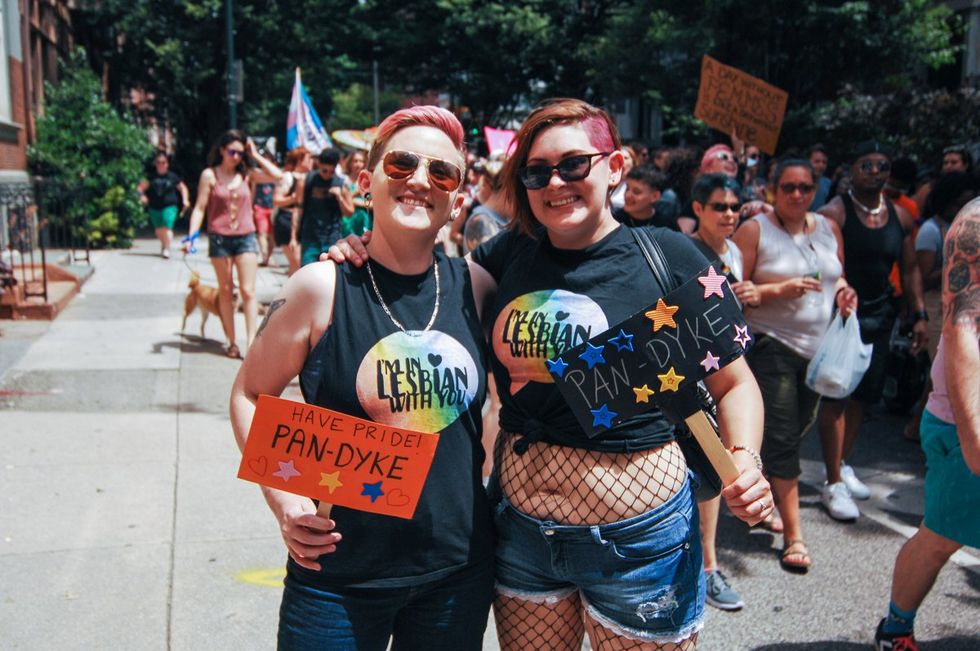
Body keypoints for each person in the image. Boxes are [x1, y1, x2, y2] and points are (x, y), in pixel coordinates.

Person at [330, 99, 773, 650]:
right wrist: (362, 252)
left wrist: (747, 461)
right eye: (537, 171)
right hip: (521, 538)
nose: (555, 182)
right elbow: (421, 281)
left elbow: (735, 383)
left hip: (639, 543)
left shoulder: (669, 256)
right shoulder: (506, 255)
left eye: (574, 165)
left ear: (615, 167)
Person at [230, 106, 496, 650]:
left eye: (441, 173)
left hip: (456, 573)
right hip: (338, 579)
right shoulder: (318, 288)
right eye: (401, 164)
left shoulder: (479, 287)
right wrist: (285, 502)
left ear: (458, 200)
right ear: (364, 181)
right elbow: (250, 393)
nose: (420, 180)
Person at [734, 160, 858, 573]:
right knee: (785, 437)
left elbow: (836, 276)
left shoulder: (827, 227)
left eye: (805, 187)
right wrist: (778, 290)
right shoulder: (755, 230)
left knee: (797, 426)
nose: (797, 195)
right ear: (772, 190)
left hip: (819, 349)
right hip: (771, 346)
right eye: (788, 187)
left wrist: (844, 293)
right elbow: (733, 292)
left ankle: (765, 490)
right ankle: (794, 534)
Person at [874, 197, 980, 651]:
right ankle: (896, 629)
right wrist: (974, 435)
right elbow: (962, 328)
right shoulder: (976, 222)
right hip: (965, 421)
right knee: (942, 535)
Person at [816, 140, 927, 521]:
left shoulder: (901, 216)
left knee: (865, 394)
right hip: (844, 316)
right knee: (837, 395)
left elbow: (910, 268)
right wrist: (842, 297)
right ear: (852, 171)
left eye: (882, 166)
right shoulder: (836, 212)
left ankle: (844, 464)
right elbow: (831, 265)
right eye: (868, 165)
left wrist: (920, 313)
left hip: (881, 314)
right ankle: (831, 482)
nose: (876, 172)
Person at [687, 173, 763, 609]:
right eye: (720, 206)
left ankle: (708, 566)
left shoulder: (732, 249)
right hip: (692, 379)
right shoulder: (684, 252)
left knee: (715, 474)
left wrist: (751, 295)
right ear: (698, 209)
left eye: (735, 207)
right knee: (705, 473)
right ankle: (705, 567)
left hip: (728, 370)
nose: (730, 214)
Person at [183, 130, 282, 358]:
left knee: (248, 291)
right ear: (221, 151)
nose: (236, 156)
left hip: (245, 237)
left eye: (240, 152)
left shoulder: (247, 174)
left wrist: (254, 155)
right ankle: (231, 341)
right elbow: (199, 207)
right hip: (219, 238)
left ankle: (250, 343)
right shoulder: (210, 175)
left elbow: (278, 175)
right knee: (226, 291)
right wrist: (191, 236)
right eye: (232, 151)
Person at [293, 148, 355, 267]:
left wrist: (340, 198)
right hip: (310, 237)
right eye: (324, 170)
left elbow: (350, 212)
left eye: (331, 171)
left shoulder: (341, 183)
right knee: (307, 273)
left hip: (332, 238)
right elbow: (298, 209)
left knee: (329, 276)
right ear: (319, 164)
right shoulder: (307, 180)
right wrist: (293, 237)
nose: (327, 174)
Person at [138, 151, 190, 259]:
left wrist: (185, 200)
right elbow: (140, 188)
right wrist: (142, 196)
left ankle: (166, 248)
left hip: (170, 205)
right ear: (155, 164)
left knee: (167, 226)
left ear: (167, 164)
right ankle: (164, 243)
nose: (161, 165)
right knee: (158, 230)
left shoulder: (173, 177)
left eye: (164, 162)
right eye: (158, 162)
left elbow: (182, 188)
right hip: (154, 206)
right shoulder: (150, 177)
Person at [271, 146, 313, 276]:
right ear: (300, 160)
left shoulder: (310, 178)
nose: (312, 161)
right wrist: (294, 198)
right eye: (308, 158)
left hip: (303, 223)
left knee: (298, 266)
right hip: (287, 222)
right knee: (297, 262)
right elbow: (277, 200)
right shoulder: (288, 177)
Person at [613, 165, 671, 229]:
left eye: (636, 192)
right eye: (627, 189)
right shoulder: (614, 220)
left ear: (655, 196)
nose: (627, 195)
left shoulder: (665, 225)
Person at [341, 150, 372, 236]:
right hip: (345, 223)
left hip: (363, 223)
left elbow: (373, 204)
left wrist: (355, 202)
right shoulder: (343, 180)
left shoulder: (367, 182)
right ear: (350, 163)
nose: (358, 164)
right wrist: (355, 194)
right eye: (355, 161)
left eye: (361, 161)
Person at [609, 145, 636, 211]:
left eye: (626, 158)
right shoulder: (607, 182)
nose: (622, 161)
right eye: (618, 159)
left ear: (633, 162)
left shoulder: (637, 183)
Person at [807, 144, 832, 211]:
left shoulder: (828, 183)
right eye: (817, 161)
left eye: (824, 162)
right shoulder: (797, 180)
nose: (821, 165)